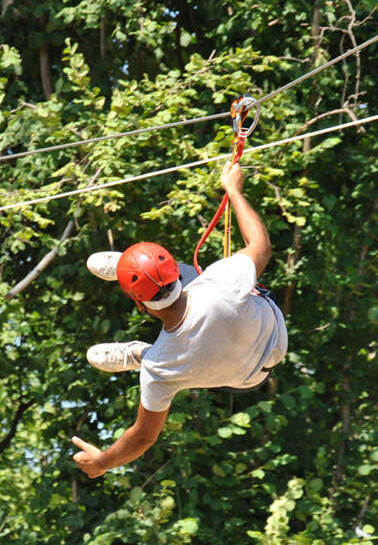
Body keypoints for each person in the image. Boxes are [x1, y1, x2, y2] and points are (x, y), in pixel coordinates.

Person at [71, 162, 288, 478]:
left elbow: (144, 436)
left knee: (158, 360)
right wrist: (234, 190)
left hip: (241, 378)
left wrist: (103, 462)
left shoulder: (160, 368)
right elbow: (261, 248)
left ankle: (138, 345)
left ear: (141, 306)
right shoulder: (221, 281)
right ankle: (136, 270)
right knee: (196, 288)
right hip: (267, 342)